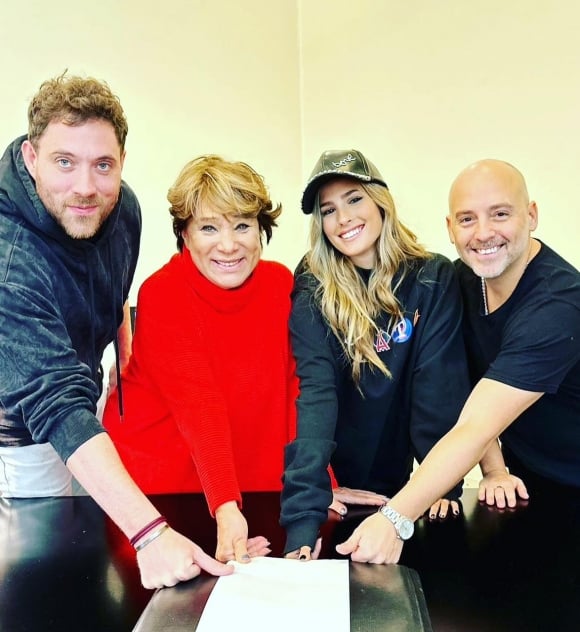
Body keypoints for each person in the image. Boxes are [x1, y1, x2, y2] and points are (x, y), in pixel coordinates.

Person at [0, 73, 230, 588]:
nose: (86, 186)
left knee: (97, 541)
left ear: (122, 161)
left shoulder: (121, 206)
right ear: (32, 158)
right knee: (47, 576)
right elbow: (55, 403)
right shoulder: (8, 260)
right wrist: (151, 534)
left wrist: (124, 345)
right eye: (64, 162)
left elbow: (112, 280)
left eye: (102, 164)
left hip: (81, 392)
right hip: (21, 430)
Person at [335, 158, 580, 565]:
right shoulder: (462, 281)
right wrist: (496, 469)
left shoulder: (557, 306)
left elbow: (477, 424)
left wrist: (395, 518)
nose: (483, 233)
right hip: (529, 485)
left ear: (532, 216)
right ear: (450, 228)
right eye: (467, 219)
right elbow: (465, 383)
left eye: (500, 214)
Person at [103, 154, 298, 564]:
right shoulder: (163, 292)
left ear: (261, 229)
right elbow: (198, 405)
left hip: (249, 486)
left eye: (242, 225)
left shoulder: (281, 284)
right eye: (209, 227)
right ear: (185, 234)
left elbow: (296, 388)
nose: (228, 245)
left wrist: (319, 480)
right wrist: (226, 508)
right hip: (161, 492)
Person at [280, 149, 472, 560]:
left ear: (380, 200)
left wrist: (440, 483)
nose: (343, 218)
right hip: (333, 489)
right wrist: (305, 515)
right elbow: (316, 392)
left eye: (354, 199)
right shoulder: (313, 283)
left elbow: (437, 384)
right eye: (328, 210)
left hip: (401, 488)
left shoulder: (431, 276)